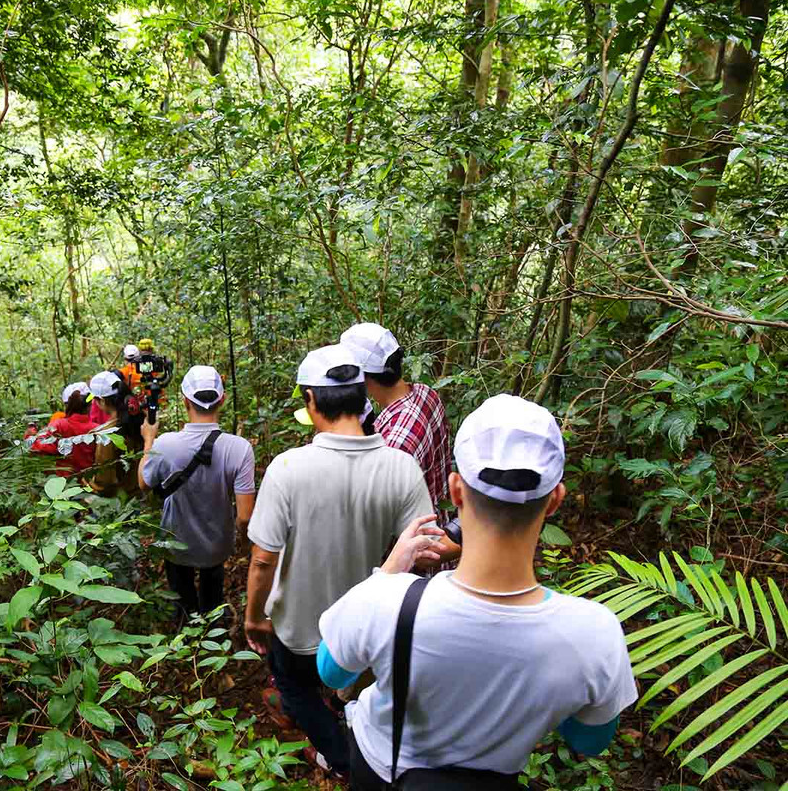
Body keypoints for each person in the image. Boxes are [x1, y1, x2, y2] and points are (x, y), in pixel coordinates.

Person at [318, 395, 638, 790]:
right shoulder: (594, 634)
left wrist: (387, 572)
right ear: (554, 500)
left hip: (383, 774)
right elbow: (590, 740)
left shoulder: (387, 601)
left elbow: (332, 671)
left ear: (456, 490)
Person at [244, 344, 440, 777]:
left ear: (311, 400)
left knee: (294, 688)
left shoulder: (287, 468)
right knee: (348, 685)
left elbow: (262, 560)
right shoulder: (401, 467)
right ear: (362, 396)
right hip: (362, 630)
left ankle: (343, 758)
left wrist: (254, 617)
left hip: (296, 629)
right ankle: (357, 734)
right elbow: (428, 549)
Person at [138, 366, 256, 624]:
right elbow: (245, 516)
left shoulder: (165, 443)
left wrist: (149, 439)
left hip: (176, 541)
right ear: (222, 400)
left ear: (185, 400)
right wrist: (244, 545)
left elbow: (144, 483)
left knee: (182, 597)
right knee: (212, 592)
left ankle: (187, 634)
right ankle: (212, 628)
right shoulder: (240, 448)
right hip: (217, 543)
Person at [340, 323, 452, 513]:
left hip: (417, 538)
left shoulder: (395, 443)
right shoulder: (426, 394)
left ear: (362, 376)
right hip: (441, 519)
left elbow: (378, 512)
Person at [86, 370, 144, 496]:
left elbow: (105, 480)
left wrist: (88, 483)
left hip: (122, 499)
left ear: (101, 401)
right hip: (141, 491)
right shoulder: (139, 419)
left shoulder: (107, 434)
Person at [28, 382, 96, 477]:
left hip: (65, 482)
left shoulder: (59, 425)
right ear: (90, 405)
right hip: (91, 480)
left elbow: (37, 446)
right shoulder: (98, 429)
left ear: (67, 405)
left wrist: (31, 430)